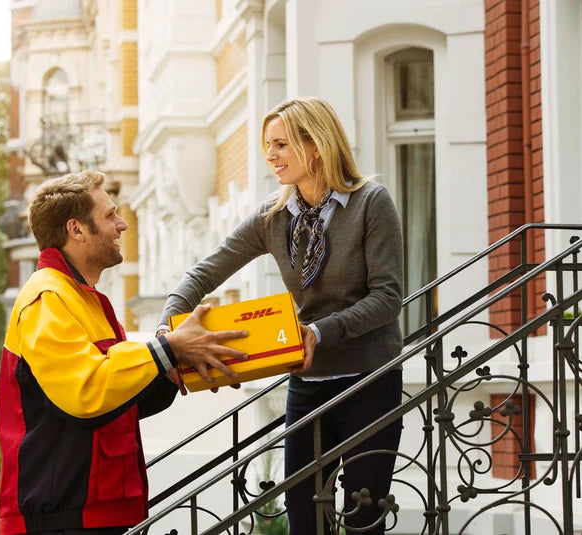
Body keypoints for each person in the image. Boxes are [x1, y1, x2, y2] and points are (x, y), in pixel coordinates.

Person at [157, 97, 404, 534]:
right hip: (307, 384)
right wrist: (168, 331)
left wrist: (319, 332)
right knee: (304, 518)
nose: (270, 155)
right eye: (267, 146)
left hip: (369, 380)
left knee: (364, 518)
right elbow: (206, 271)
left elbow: (388, 297)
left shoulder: (370, 202)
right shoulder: (273, 215)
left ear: (317, 145)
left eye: (281, 144)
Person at [0, 171, 249, 535]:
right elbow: (86, 392)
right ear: (76, 229)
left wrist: (168, 370)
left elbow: (116, 402)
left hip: (99, 510)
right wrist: (166, 349)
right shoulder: (46, 299)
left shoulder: (82, 298)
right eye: (110, 215)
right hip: (63, 520)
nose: (122, 224)